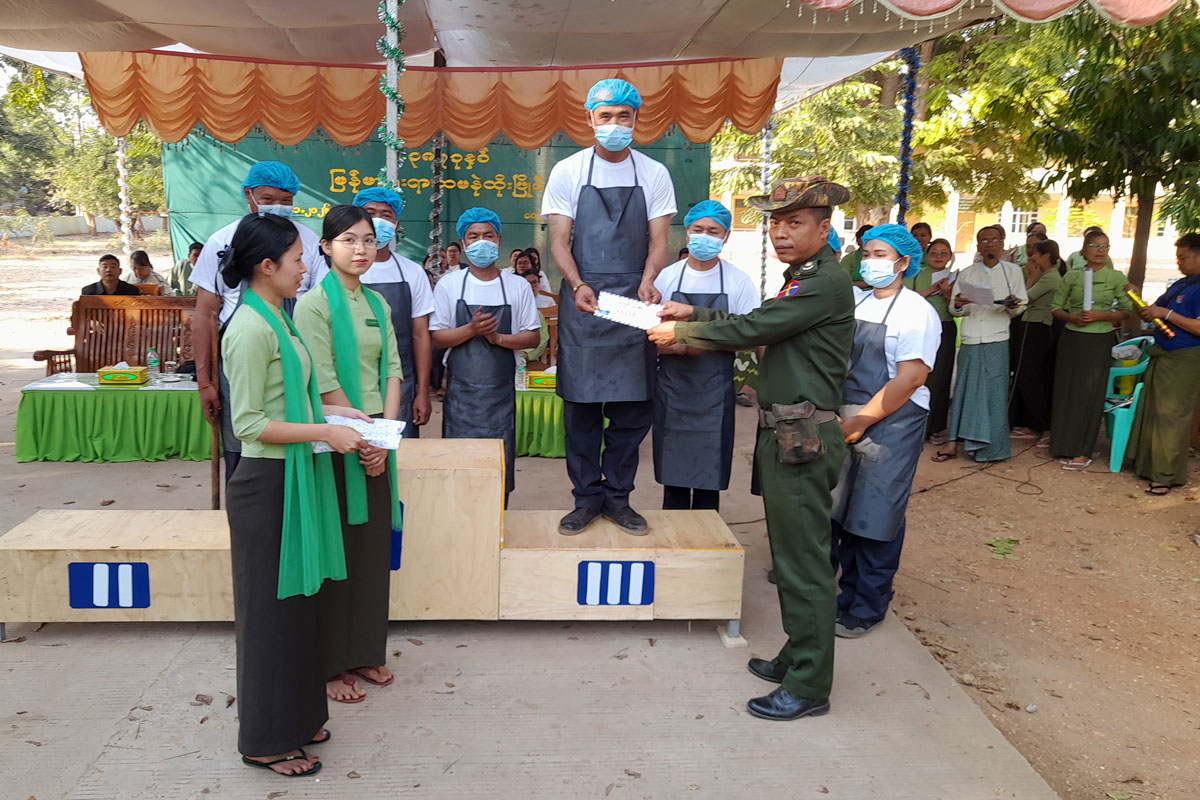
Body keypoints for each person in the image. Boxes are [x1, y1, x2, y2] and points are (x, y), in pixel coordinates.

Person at [649, 176, 854, 722]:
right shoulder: (802, 279)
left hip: (802, 434)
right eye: (775, 223)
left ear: (824, 229)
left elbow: (755, 328)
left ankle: (809, 684)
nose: (781, 233)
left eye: (795, 223)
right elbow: (758, 322)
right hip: (786, 431)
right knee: (790, 556)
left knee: (803, 563)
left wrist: (684, 335)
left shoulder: (823, 283)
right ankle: (799, 653)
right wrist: (694, 315)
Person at [218, 212, 368, 777]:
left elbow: (294, 397)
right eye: (298, 259)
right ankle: (265, 739)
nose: (305, 268)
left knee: (301, 606)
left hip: (295, 476)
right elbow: (250, 424)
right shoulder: (249, 329)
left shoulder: (277, 318)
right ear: (266, 266)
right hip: (268, 484)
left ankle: (300, 718)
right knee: (270, 616)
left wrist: (340, 415)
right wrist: (325, 432)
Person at [542, 77, 677, 535]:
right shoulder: (568, 171)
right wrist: (577, 283)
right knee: (581, 411)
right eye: (606, 116)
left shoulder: (654, 173)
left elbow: (659, 241)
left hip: (632, 302)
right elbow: (559, 242)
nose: (615, 124)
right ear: (590, 119)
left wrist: (649, 278)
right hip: (585, 301)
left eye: (624, 116)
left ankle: (618, 499)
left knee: (632, 410)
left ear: (637, 119)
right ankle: (585, 500)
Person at [294, 205, 405, 705]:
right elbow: (322, 380)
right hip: (335, 439)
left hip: (376, 442)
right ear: (325, 246)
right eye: (348, 240)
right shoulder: (313, 305)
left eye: (368, 240)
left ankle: (364, 650)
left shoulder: (377, 303)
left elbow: (394, 370)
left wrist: (383, 440)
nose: (360, 249)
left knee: (371, 551)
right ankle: (331, 663)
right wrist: (362, 437)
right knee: (336, 551)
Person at [830, 224, 940, 638]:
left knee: (876, 514)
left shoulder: (916, 313)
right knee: (843, 510)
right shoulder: (857, 301)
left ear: (904, 262)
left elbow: (910, 378)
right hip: (847, 415)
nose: (870, 261)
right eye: (867, 253)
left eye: (880, 255)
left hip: (893, 422)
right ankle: (845, 595)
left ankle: (868, 605)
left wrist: (861, 421)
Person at [191, 161, 324, 477]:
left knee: (298, 436)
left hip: (297, 352)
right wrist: (205, 381)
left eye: (286, 200)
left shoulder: (308, 242)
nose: (278, 206)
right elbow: (205, 313)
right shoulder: (222, 241)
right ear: (247, 194)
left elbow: (322, 307)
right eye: (268, 199)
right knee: (243, 441)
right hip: (242, 356)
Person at [651, 199, 760, 511]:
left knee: (708, 479)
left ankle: (708, 535)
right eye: (698, 229)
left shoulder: (738, 281)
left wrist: (691, 342)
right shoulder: (666, 278)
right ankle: (674, 534)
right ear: (687, 232)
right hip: (672, 390)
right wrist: (674, 346)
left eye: (713, 231)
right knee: (673, 478)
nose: (704, 236)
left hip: (714, 393)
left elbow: (750, 332)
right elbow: (650, 330)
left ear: (726, 236)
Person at [431, 208, 540, 499]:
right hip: (460, 397)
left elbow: (533, 336)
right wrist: (471, 330)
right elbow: (437, 338)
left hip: (500, 397)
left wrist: (498, 338)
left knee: (497, 476)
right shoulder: (450, 284)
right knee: (458, 473)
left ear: (499, 240)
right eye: (473, 236)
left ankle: (498, 524)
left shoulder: (517, 286)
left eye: (488, 235)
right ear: (463, 243)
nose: (481, 242)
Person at [326, 186, 436, 438]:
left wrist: (422, 392)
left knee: (398, 452)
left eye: (386, 215)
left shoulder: (412, 272)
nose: (377, 221)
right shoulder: (333, 273)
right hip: (344, 382)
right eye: (370, 213)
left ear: (396, 225)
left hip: (399, 383)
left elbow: (420, 335)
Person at [934, 226, 1027, 462]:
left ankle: (993, 448)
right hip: (972, 337)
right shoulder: (967, 273)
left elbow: (1020, 307)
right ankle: (954, 443)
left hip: (997, 337)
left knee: (994, 393)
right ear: (978, 246)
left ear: (1002, 243)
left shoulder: (1012, 271)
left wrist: (1013, 304)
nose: (989, 245)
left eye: (994, 240)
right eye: (984, 241)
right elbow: (955, 309)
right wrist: (958, 303)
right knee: (965, 390)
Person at [1050, 229, 1132, 470]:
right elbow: (1056, 308)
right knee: (1067, 392)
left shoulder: (1116, 277)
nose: (1100, 251)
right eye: (1095, 246)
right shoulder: (1072, 276)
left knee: (1090, 395)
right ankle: (1063, 445)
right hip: (1072, 339)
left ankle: (1083, 450)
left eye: (1105, 246)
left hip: (1099, 340)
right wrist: (1073, 318)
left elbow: (1127, 311)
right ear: (1084, 250)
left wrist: (1102, 316)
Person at [1127, 233, 1200, 494]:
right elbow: (1153, 313)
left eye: (1183, 257)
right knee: (1152, 412)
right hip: (1162, 353)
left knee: (1171, 416)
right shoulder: (1181, 284)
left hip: (1184, 357)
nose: (1179, 262)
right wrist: (1138, 301)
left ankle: (1165, 475)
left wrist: (1167, 314)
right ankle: (1148, 466)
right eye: (1177, 257)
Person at [1009, 239, 1064, 447]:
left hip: (1037, 327)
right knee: (1026, 376)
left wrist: (1031, 277)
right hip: (1029, 326)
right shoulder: (1044, 274)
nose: (1030, 258)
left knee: (1029, 378)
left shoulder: (1050, 276)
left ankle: (1045, 426)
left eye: (1034, 254)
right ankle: (1031, 423)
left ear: (1046, 256)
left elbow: (1024, 299)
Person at [919, 238, 956, 444]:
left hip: (946, 326)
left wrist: (948, 295)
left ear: (950, 256)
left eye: (944, 253)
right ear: (927, 255)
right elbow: (909, 297)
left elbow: (959, 307)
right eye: (934, 253)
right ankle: (919, 425)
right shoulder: (917, 273)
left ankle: (935, 427)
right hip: (921, 327)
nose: (938, 257)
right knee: (922, 376)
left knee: (941, 377)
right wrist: (931, 291)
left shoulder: (955, 277)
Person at [521, 270, 552, 367]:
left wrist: (525, 354)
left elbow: (542, 340)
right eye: (528, 283)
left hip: (528, 357)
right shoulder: (510, 307)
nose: (532, 286)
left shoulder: (538, 313)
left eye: (534, 283)